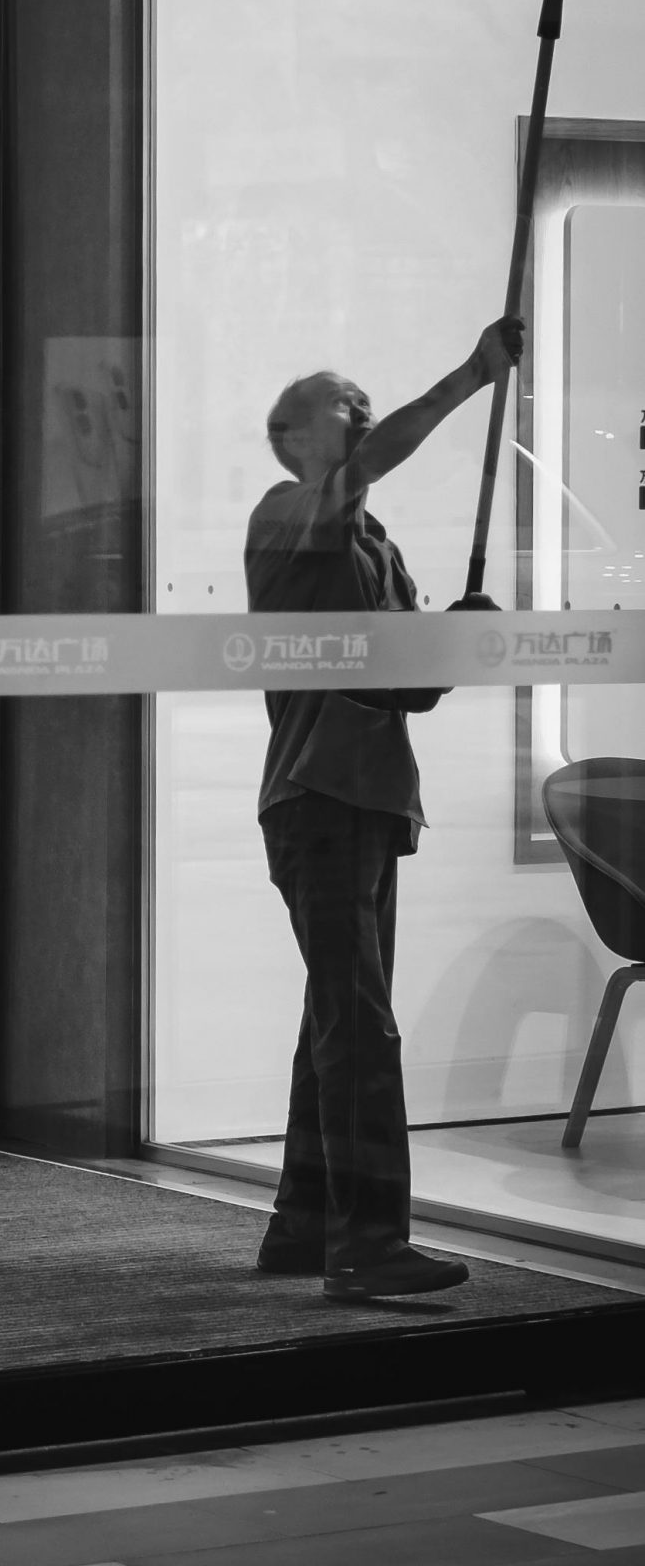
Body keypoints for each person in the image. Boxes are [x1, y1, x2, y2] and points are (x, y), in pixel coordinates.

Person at [245, 317, 523, 1302]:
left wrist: (454, 637)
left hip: (368, 801)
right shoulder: (288, 514)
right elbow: (372, 463)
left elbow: (403, 687)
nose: (355, 415)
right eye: (338, 409)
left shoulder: (373, 545)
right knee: (360, 1020)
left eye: (357, 403)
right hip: (317, 796)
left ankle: (305, 1224)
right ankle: (367, 1243)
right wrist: (471, 376)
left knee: (342, 1010)